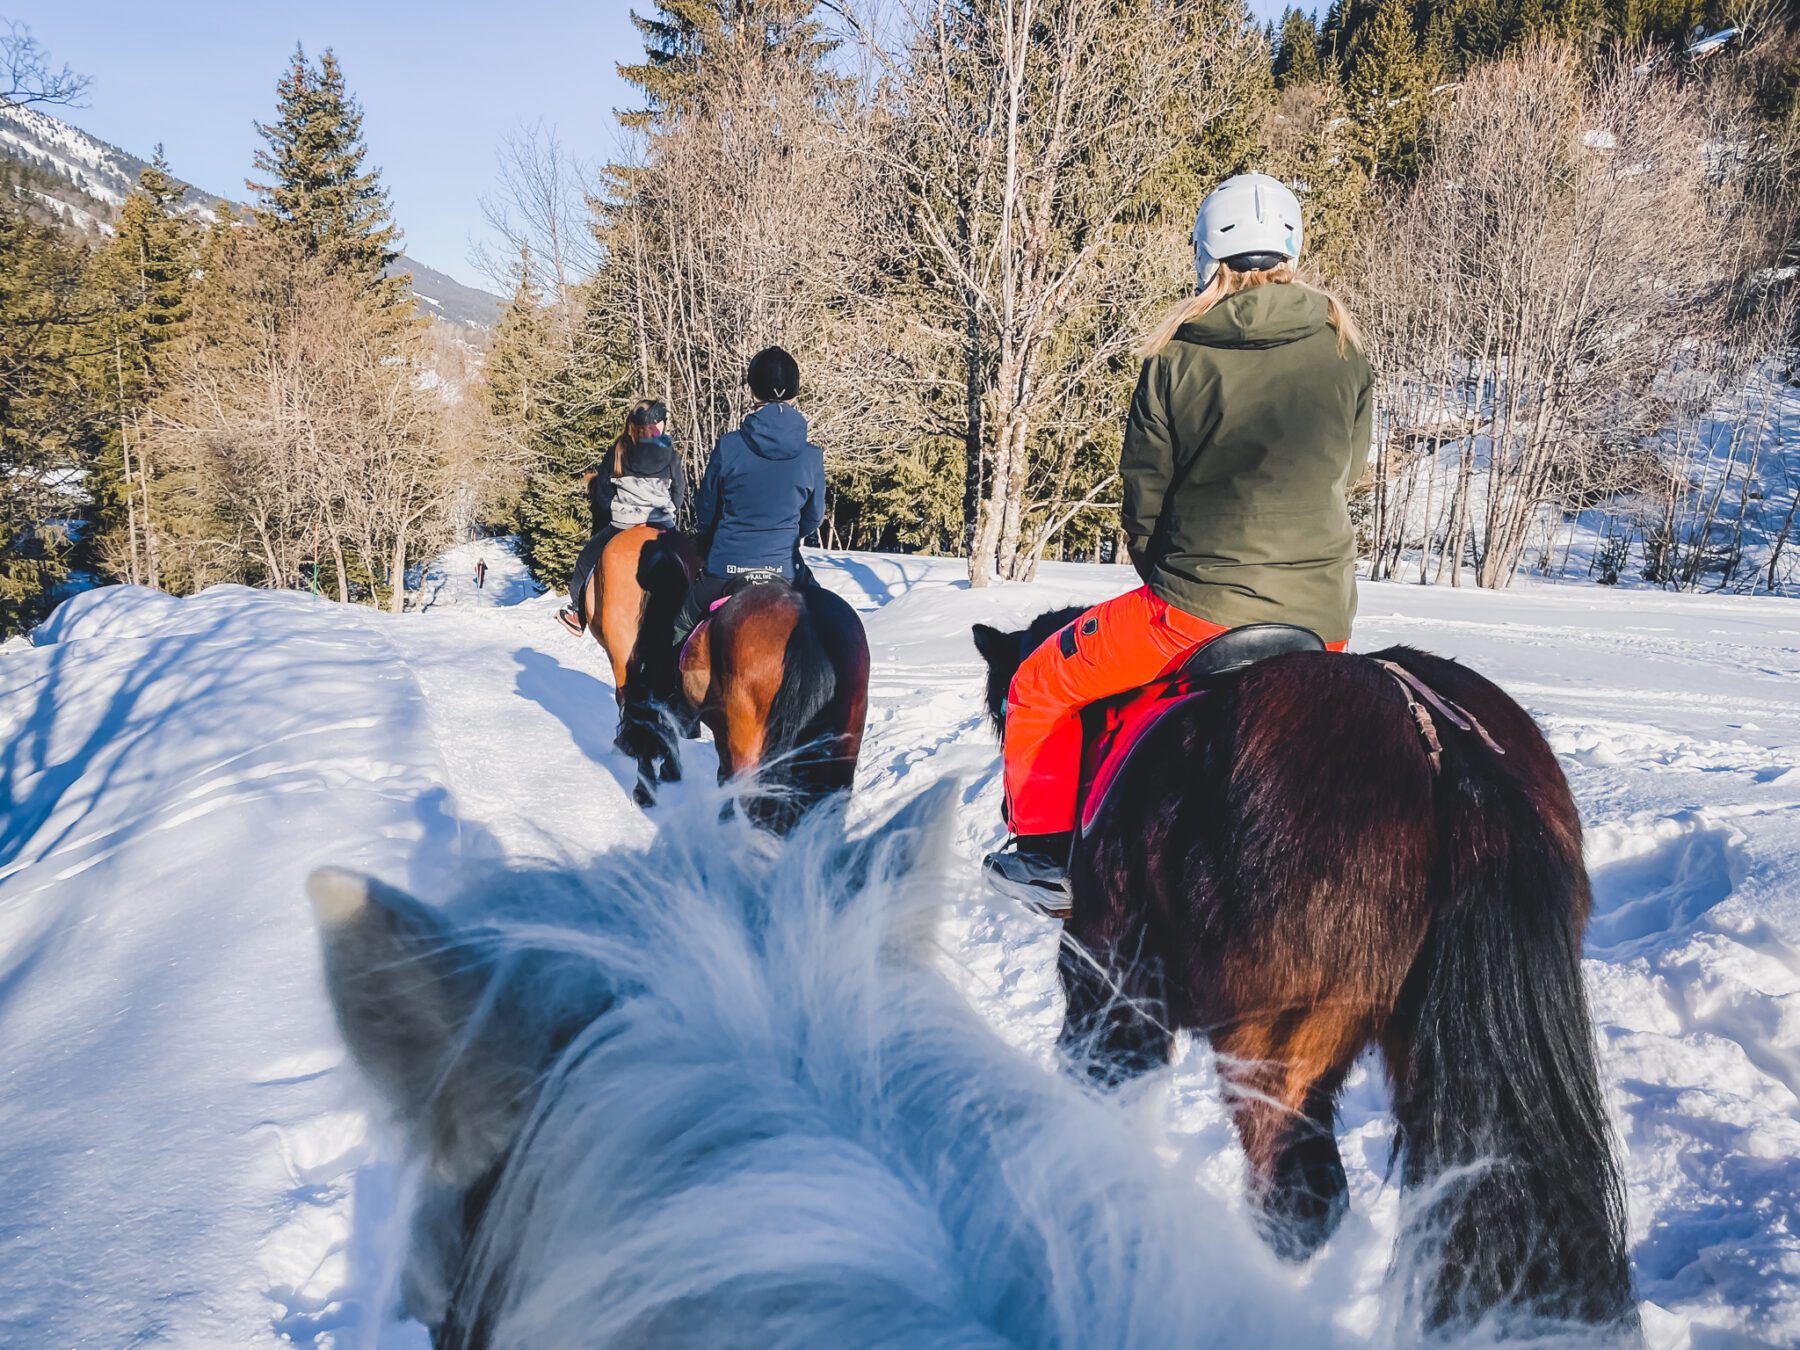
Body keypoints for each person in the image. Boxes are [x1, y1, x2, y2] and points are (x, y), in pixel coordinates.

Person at [983, 173, 1372, 909]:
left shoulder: (1175, 354)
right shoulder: (1344, 347)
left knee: (1038, 682)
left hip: (1194, 611)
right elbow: (1348, 472)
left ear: (1208, 256)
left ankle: (1045, 857)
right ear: (1292, 248)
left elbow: (1145, 498)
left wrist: (1165, 575)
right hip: (1323, 623)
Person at [670, 346, 826, 651]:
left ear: (752, 392)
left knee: (679, 627)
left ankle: (665, 694)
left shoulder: (729, 447)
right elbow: (813, 518)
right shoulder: (811, 457)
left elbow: (706, 510)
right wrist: (787, 535)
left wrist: (712, 536)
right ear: (794, 393)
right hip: (786, 569)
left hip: (727, 567)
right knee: (830, 625)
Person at [557, 399, 686, 636]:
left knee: (586, 560)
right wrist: (671, 515)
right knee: (692, 565)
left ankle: (576, 613)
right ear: (660, 425)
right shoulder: (670, 454)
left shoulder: (618, 450)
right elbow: (679, 492)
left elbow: (604, 495)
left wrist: (609, 515)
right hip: (662, 525)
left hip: (623, 525)